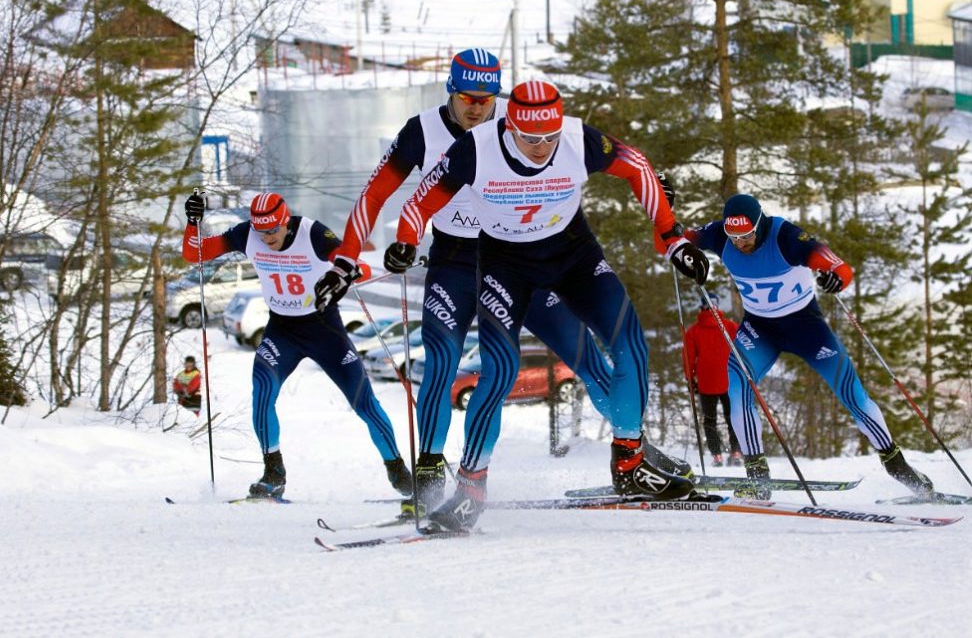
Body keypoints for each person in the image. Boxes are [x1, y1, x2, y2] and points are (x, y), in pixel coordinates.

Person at [314, 49, 687, 511]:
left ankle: (633, 449)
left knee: (586, 356)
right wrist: (346, 260)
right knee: (445, 358)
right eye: (468, 97)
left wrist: (656, 189)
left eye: (488, 97)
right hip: (456, 262)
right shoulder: (422, 131)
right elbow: (375, 195)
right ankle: (429, 476)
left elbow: (602, 160)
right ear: (451, 90)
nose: (478, 107)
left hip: (526, 256)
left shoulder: (525, 124)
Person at [381, 79, 711, 531]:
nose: (541, 148)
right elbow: (417, 206)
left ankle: (630, 463)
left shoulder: (577, 138)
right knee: (499, 371)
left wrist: (671, 237)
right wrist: (405, 242)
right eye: (531, 138)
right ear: (509, 126)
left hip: (574, 256)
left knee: (629, 342)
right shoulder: (477, 149)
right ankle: (469, 491)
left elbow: (637, 166)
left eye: (549, 138)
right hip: (505, 266)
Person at [685, 193, 933, 498]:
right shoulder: (720, 236)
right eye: (733, 236)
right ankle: (757, 476)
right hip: (760, 328)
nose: (740, 243)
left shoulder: (787, 237)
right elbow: (671, 239)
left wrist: (835, 278)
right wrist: (670, 231)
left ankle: (897, 464)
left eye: (746, 236)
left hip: (806, 327)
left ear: (759, 225)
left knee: (850, 391)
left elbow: (839, 268)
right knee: (736, 383)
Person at [181, 191, 412, 500]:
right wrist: (193, 222)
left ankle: (399, 472)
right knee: (262, 391)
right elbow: (194, 254)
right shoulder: (246, 234)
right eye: (260, 232)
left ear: (285, 222)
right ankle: (273, 474)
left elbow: (350, 262)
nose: (266, 238)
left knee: (364, 403)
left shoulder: (313, 233)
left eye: (272, 231)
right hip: (282, 330)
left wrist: (357, 270)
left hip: (323, 329)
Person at [683, 293, 742, 467]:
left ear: (701, 308)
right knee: (733, 418)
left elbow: (689, 358)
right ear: (717, 307)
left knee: (710, 420)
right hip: (730, 380)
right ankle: (736, 453)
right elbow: (742, 352)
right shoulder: (731, 326)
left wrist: (690, 379)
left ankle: (717, 456)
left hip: (706, 382)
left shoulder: (693, 331)